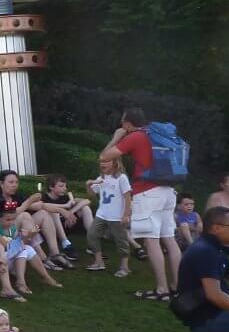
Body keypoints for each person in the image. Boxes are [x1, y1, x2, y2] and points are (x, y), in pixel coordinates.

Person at [103, 108, 182, 300]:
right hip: (168, 191)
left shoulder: (136, 136)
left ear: (128, 123)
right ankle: (177, 287)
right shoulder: (156, 135)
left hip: (148, 193)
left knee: (151, 240)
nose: (121, 125)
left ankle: (162, 290)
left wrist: (116, 137)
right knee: (169, 239)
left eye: (122, 122)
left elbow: (104, 157)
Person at [170, 206, 229, 332]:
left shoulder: (214, 248)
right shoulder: (205, 251)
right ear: (217, 228)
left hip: (218, 314)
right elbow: (214, 295)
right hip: (208, 321)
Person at [0, 170, 70, 267]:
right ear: (1, 184)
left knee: (43, 214)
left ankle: (54, 253)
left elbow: (41, 205)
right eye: (11, 182)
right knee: (25, 216)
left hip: (15, 229)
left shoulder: (15, 196)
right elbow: (11, 215)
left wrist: (61, 210)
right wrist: (29, 201)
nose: (14, 185)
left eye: (16, 182)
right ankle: (42, 257)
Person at [0, 199, 62, 295]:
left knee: (28, 249)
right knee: (23, 250)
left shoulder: (12, 228)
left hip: (9, 258)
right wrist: (23, 237)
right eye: (8, 220)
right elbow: (7, 247)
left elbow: (16, 245)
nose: (11, 222)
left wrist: (28, 235)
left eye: (13, 219)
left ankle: (46, 277)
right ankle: (21, 283)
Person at [86, 155, 134, 276]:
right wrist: (88, 185)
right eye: (101, 162)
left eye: (106, 161)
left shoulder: (121, 178)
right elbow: (92, 194)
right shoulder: (100, 178)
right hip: (102, 215)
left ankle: (124, 267)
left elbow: (128, 197)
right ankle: (99, 262)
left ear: (115, 163)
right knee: (92, 235)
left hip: (117, 217)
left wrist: (126, 214)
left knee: (121, 241)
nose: (103, 164)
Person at [32, 173, 93, 264]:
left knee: (85, 208)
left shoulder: (64, 197)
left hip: (65, 225)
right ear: (51, 187)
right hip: (48, 230)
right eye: (61, 186)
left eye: (65, 186)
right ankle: (66, 244)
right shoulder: (44, 197)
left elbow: (87, 201)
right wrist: (64, 207)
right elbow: (42, 205)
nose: (65, 188)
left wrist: (70, 212)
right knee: (54, 212)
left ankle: (93, 243)